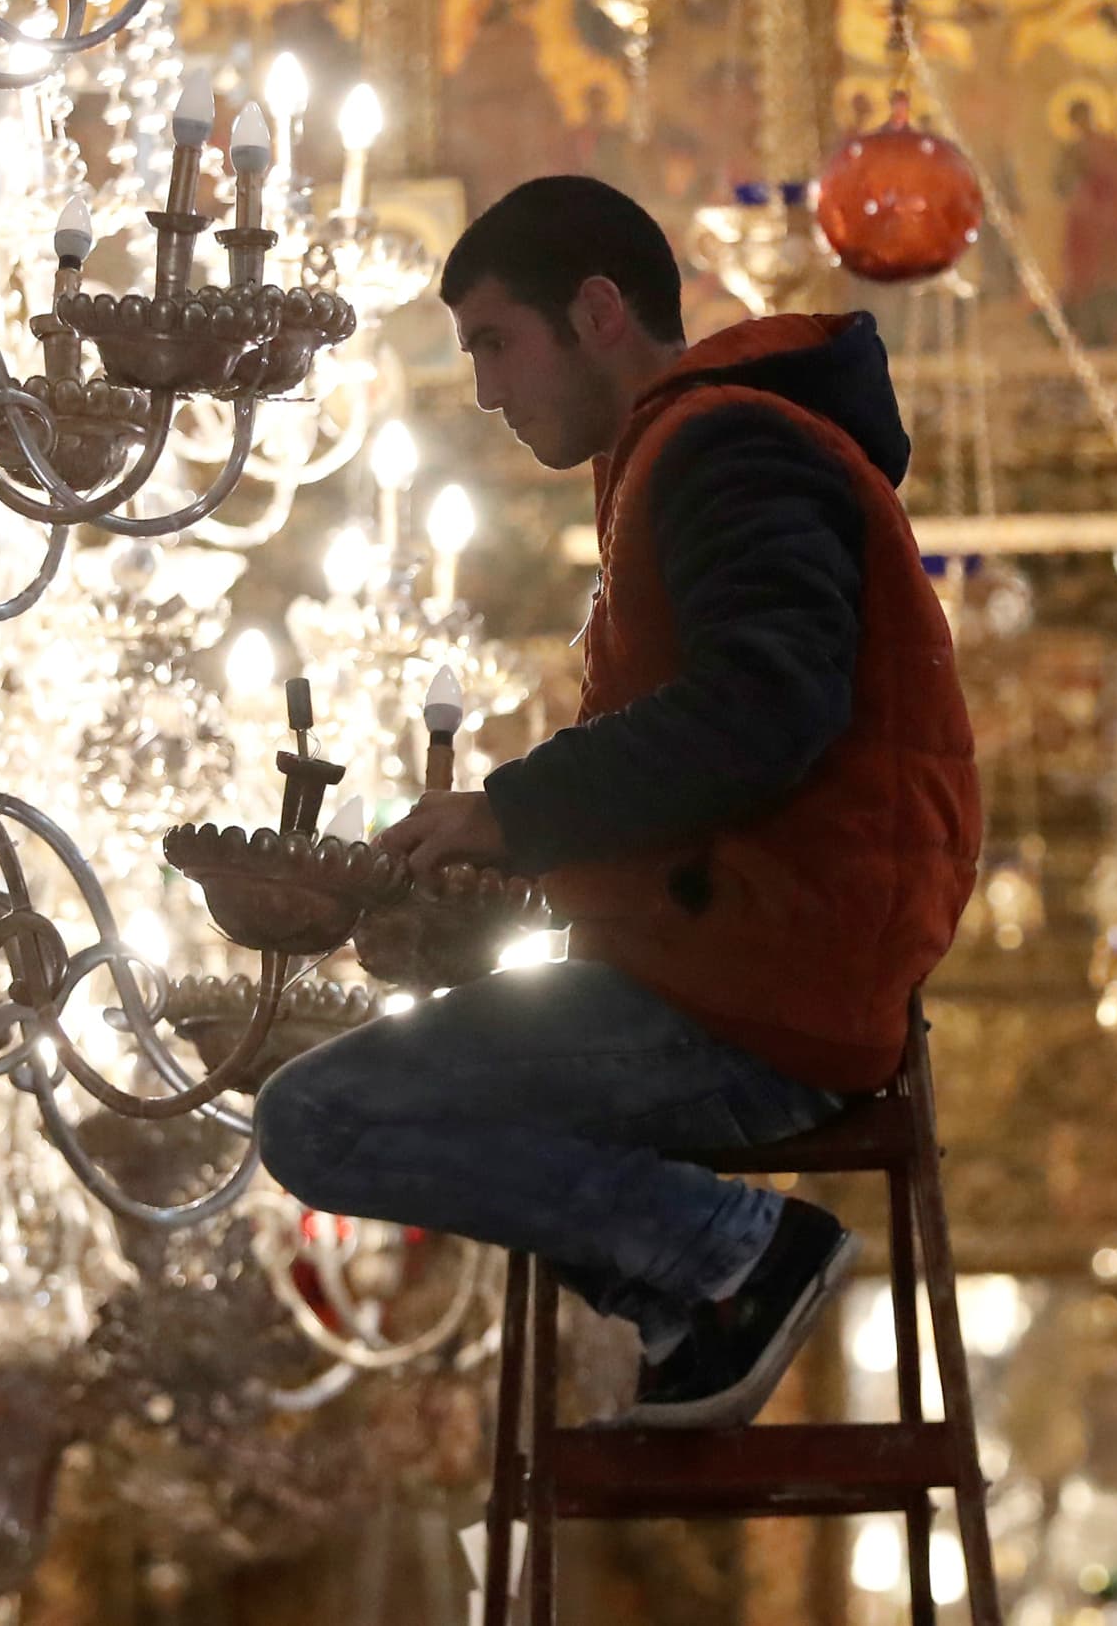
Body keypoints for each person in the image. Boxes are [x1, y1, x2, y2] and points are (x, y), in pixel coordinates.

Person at [254, 174, 980, 1431]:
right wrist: (505, 884)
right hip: (744, 960)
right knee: (337, 1109)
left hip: (766, 986)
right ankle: (693, 1293)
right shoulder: (686, 453)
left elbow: (767, 711)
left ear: (595, 311)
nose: (483, 387)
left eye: (493, 341)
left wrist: (510, 812)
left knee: (319, 1117)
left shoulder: (727, 446)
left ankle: (737, 1255)